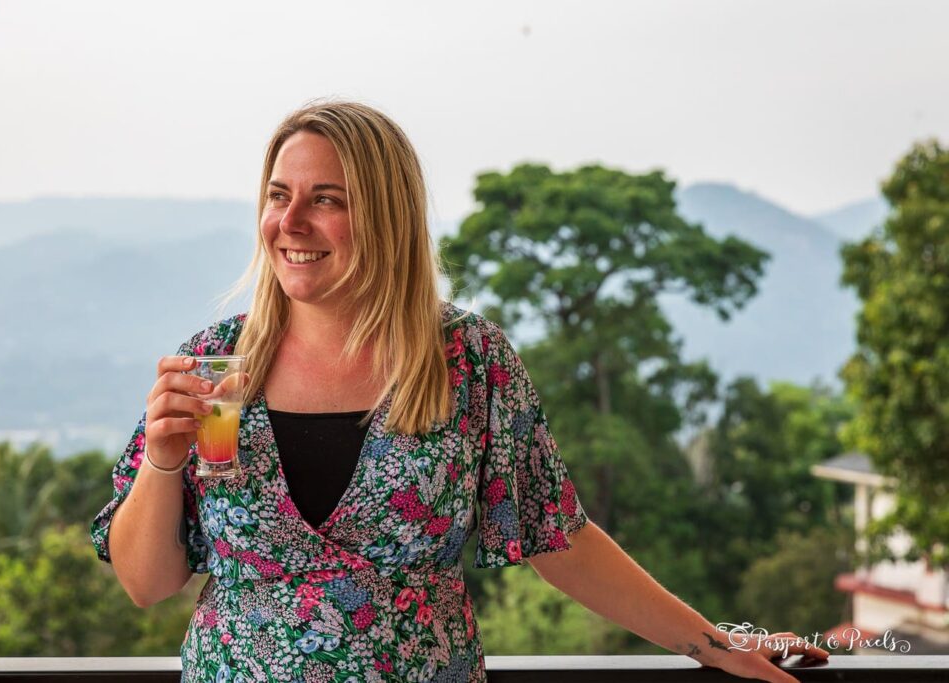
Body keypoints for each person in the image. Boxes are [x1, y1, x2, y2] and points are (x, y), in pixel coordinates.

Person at [91, 100, 828, 683]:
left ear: (383, 215)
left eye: (326, 200)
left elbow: (557, 536)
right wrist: (162, 459)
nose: (290, 222)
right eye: (279, 195)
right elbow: (147, 582)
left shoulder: (466, 360)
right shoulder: (213, 366)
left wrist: (711, 642)